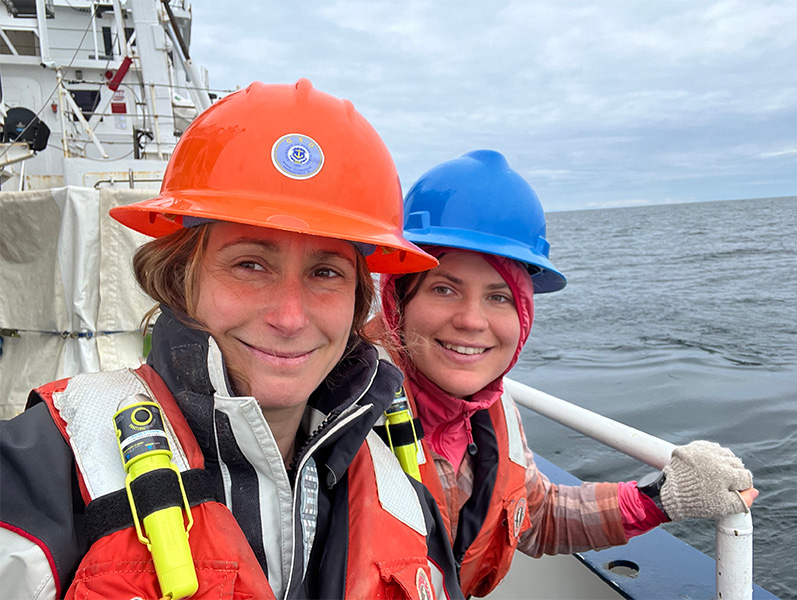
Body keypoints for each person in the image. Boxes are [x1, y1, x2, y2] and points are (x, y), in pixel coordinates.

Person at [0, 80, 465, 600]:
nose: (290, 318)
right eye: (250, 264)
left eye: (326, 273)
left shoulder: (402, 494)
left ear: (358, 300)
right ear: (180, 278)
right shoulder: (42, 472)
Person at [373, 149, 758, 598]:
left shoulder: (493, 410)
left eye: (499, 297)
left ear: (523, 314)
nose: (472, 321)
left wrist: (662, 498)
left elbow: (537, 516)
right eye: (444, 288)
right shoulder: (335, 418)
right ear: (397, 302)